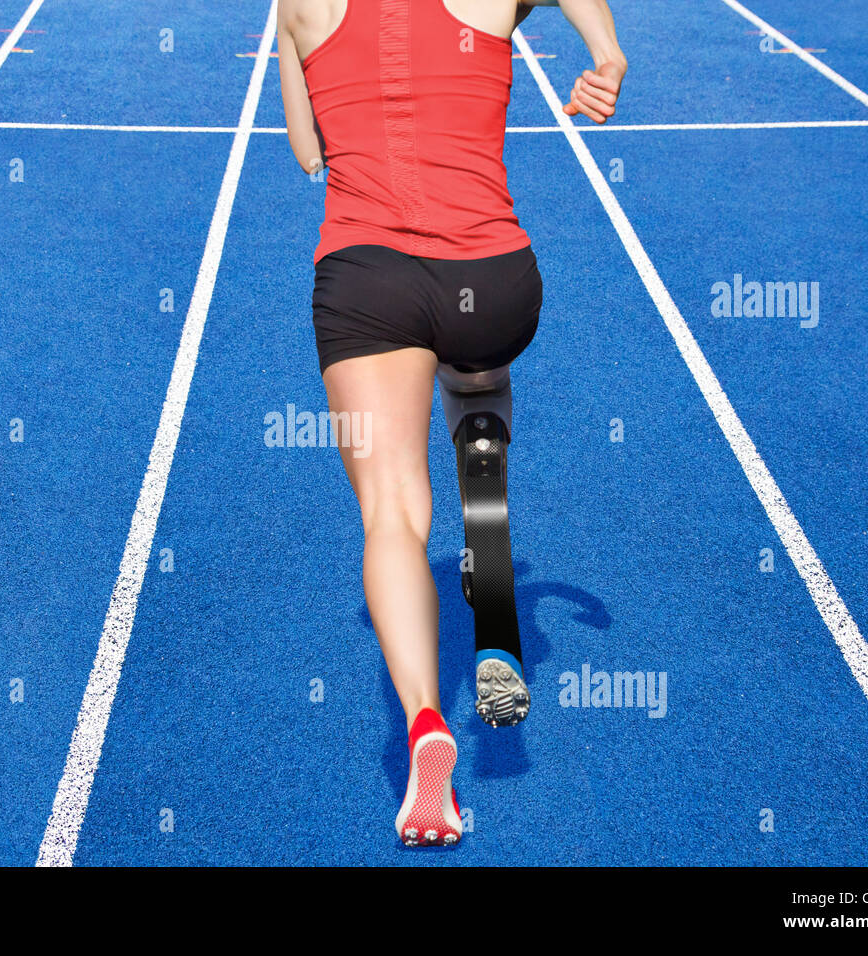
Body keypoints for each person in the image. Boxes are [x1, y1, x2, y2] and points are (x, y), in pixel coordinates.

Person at [278, 0, 626, 847]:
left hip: (367, 282)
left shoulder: (297, 5)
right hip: (493, 278)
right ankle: (481, 446)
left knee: (392, 510)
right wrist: (606, 54)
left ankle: (427, 721)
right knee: (475, 371)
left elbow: (307, 151)